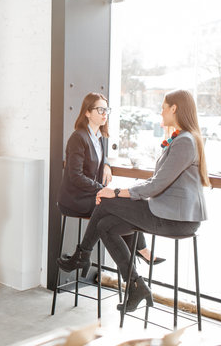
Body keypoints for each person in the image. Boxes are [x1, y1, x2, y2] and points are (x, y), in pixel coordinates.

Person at [57, 89, 209, 312]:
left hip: (176, 219)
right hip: (167, 213)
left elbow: (156, 185)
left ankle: (83, 254)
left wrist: (116, 192)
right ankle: (136, 284)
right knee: (105, 225)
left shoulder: (185, 141)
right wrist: (116, 190)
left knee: (107, 201)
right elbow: (158, 182)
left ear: (174, 109)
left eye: (164, 107)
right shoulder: (183, 139)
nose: (161, 111)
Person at [57, 92, 163, 266]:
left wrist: (106, 164)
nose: (105, 113)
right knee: (116, 204)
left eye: (106, 110)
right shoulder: (78, 137)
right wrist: (102, 189)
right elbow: (75, 175)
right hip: (75, 199)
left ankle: (88, 256)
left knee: (119, 211)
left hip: (90, 196)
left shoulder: (99, 137)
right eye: (100, 110)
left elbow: (98, 158)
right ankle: (139, 252)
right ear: (87, 112)